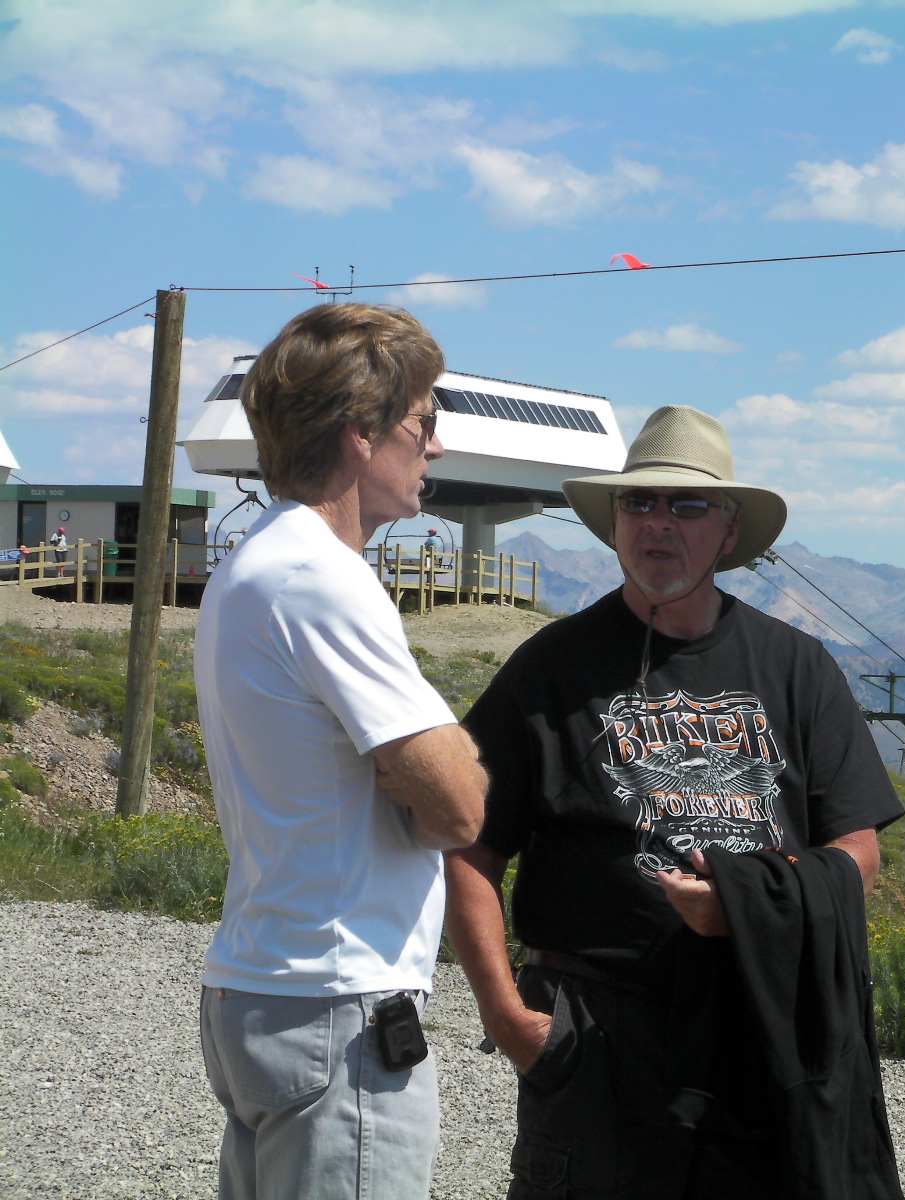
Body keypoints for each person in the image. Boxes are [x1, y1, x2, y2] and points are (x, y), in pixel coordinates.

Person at [446, 405, 905, 1200]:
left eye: (687, 505)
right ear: (616, 522)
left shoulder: (798, 668)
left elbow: (858, 854)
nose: (658, 523)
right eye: (640, 502)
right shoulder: (548, 670)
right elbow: (468, 846)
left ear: (728, 531)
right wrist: (506, 1020)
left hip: (753, 1027)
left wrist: (746, 906)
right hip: (593, 1035)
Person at [194, 303, 487, 1200]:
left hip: (267, 984)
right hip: (337, 1001)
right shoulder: (325, 578)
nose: (433, 447)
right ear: (363, 433)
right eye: (424, 421)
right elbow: (457, 806)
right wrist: (444, 760)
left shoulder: (254, 564)